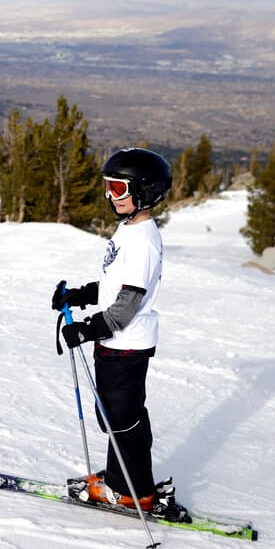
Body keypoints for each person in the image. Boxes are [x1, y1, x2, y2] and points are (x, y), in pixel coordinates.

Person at [51, 148, 183, 519]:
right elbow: (114, 285)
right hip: (117, 343)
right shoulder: (129, 230)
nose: (111, 196)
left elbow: (126, 304)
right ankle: (121, 477)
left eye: (119, 188)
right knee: (115, 415)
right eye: (108, 187)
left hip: (126, 345)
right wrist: (79, 295)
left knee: (122, 419)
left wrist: (89, 328)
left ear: (144, 191)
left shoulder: (143, 241)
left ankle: (131, 492)